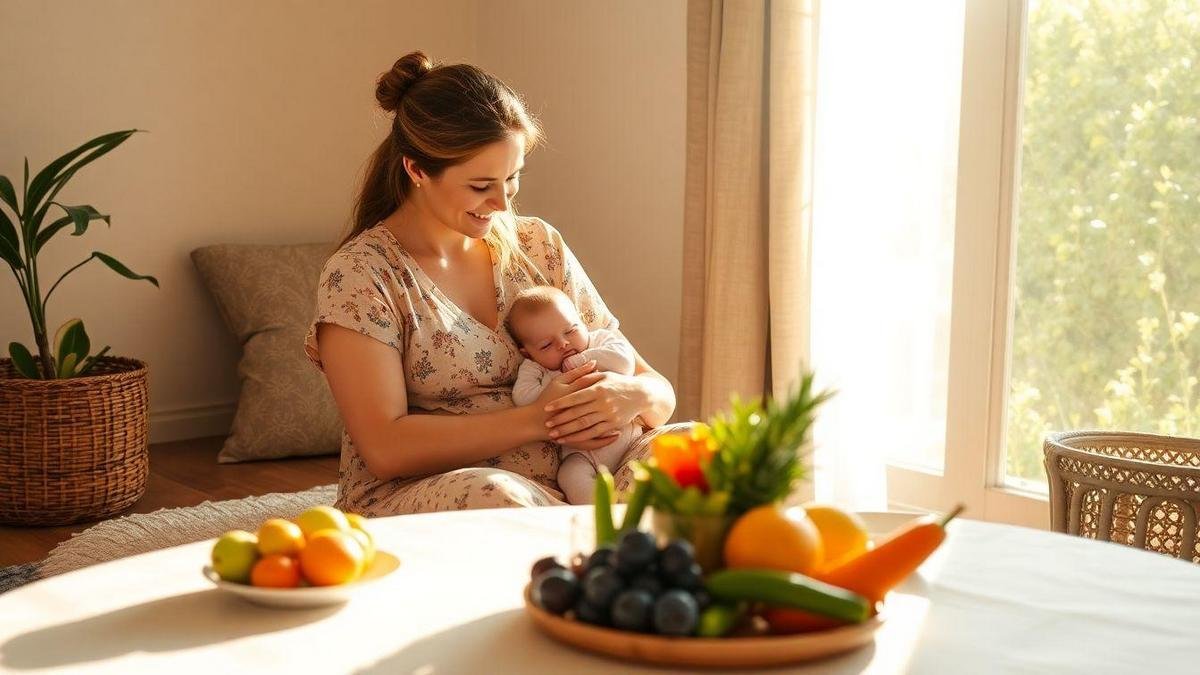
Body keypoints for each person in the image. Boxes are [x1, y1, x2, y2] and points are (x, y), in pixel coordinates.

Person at [304, 51, 679, 517]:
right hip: (440, 490)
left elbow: (655, 388)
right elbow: (385, 447)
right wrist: (541, 419)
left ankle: (608, 560)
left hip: (580, 476)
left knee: (697, 451)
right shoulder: (362, 275)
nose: (502, 202)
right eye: (481, 186)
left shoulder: (538, 244)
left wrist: (635, 396)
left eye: (513, 178)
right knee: (498, 499)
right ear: (417, 170)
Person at [506, 286, 643, 504]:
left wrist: (578, 362)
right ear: (527, 352)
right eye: (546, 345)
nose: (563, 344)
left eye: (570, 331)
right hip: (580, 455)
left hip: (629, 441)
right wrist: (553, 386)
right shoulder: (534, 368)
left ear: (582, 322)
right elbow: (522, 397)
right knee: (569, 475)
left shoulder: (599, 340)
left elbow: (624, 362)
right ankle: (597, 516)